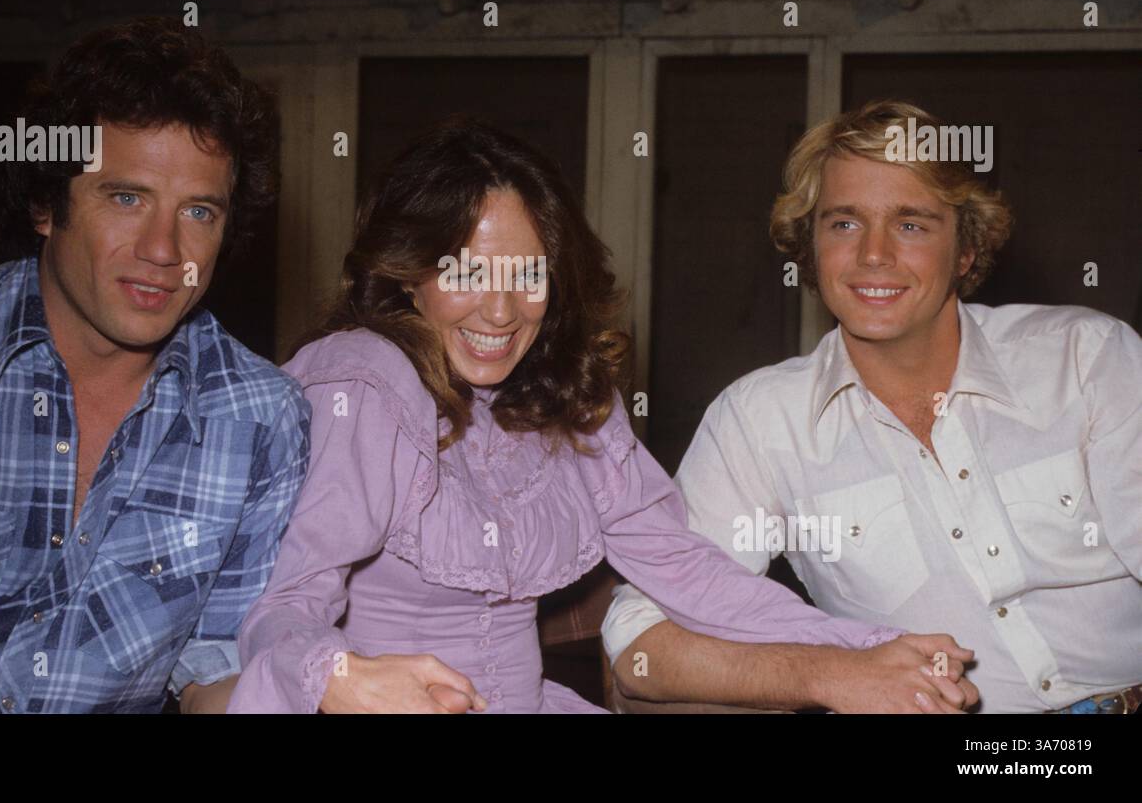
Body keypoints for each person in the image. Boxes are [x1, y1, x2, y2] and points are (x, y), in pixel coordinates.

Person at [227, 116, 978, 714]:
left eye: (527, 273)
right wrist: (342, 677)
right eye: (464, 270)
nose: (500, 308)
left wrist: (870, 646)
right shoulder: (365, 380)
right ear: (407, 272)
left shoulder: (565, 394)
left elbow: (687, 569)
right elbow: (282, 608)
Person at [603, 100, 1142, 714]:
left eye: (911, 224)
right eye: (844, 224)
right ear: (811, 248)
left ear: (964, 250)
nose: (874, 255)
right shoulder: (762, 420)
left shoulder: (1086, 359)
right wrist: (830, 675)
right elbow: (637, 641)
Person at [0, 17, 309, 714]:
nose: (163, 247)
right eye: (126, 197)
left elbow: (216, 677)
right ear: (45, 204)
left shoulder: (263, 419)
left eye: (200, 211)